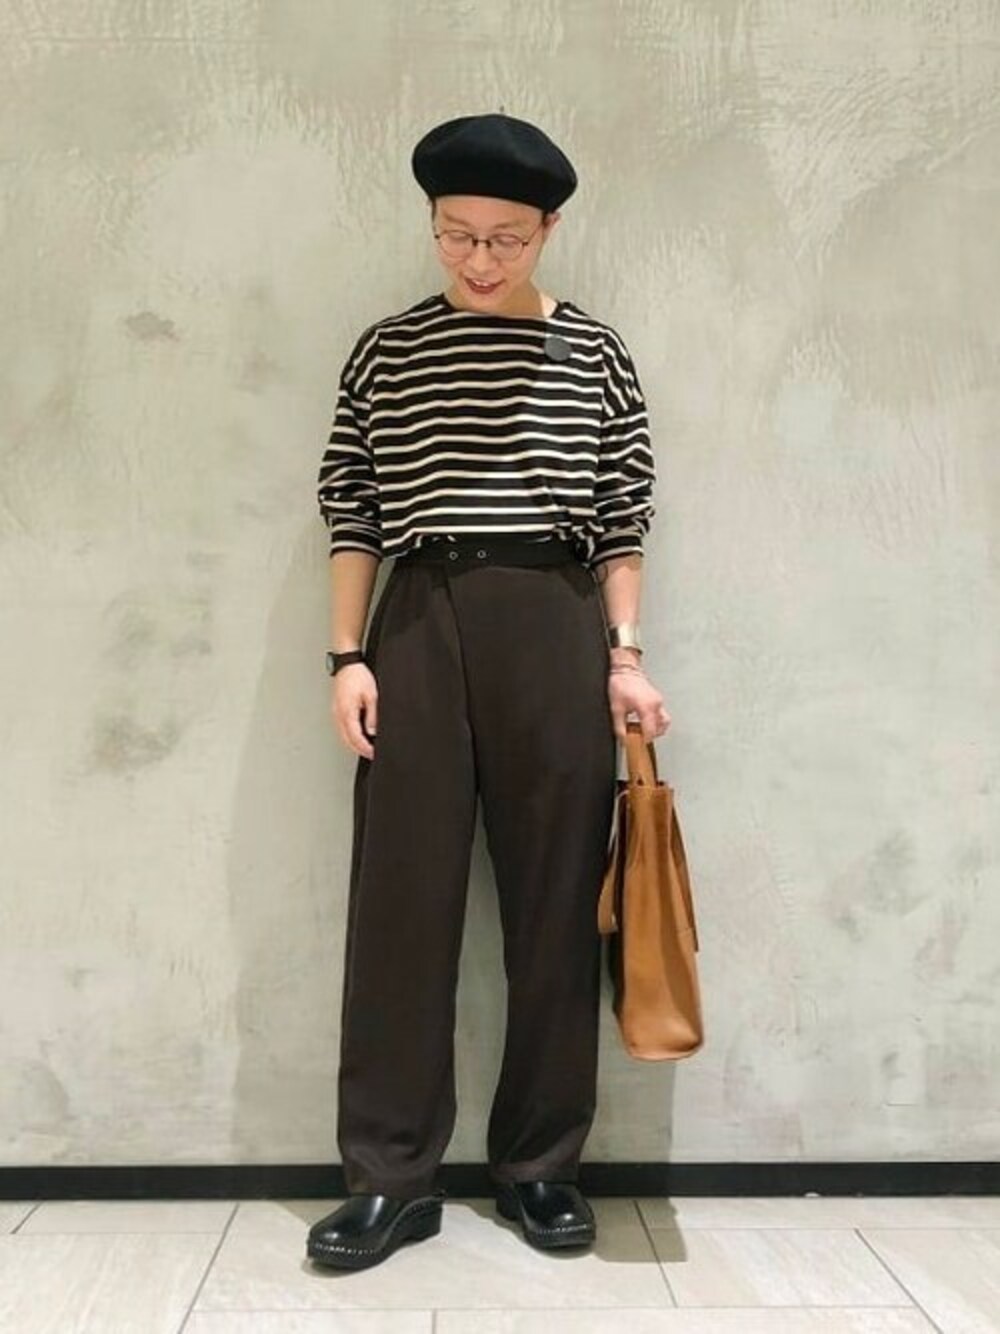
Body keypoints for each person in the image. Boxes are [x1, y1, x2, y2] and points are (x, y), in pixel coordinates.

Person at [307, 112, 670, 1272]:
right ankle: (389, 1175)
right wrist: (347, 656)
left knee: (557, 902)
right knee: (399, 902)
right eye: (455, 233)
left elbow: (620, 516)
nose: (477, 258)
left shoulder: (595, 353)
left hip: (555, 621)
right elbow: (354, 505)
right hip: (417, 620)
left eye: (504, 238)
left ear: (547, 230)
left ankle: (540, 1164)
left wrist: (623, 654)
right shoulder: (388, 350)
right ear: (431, 225)